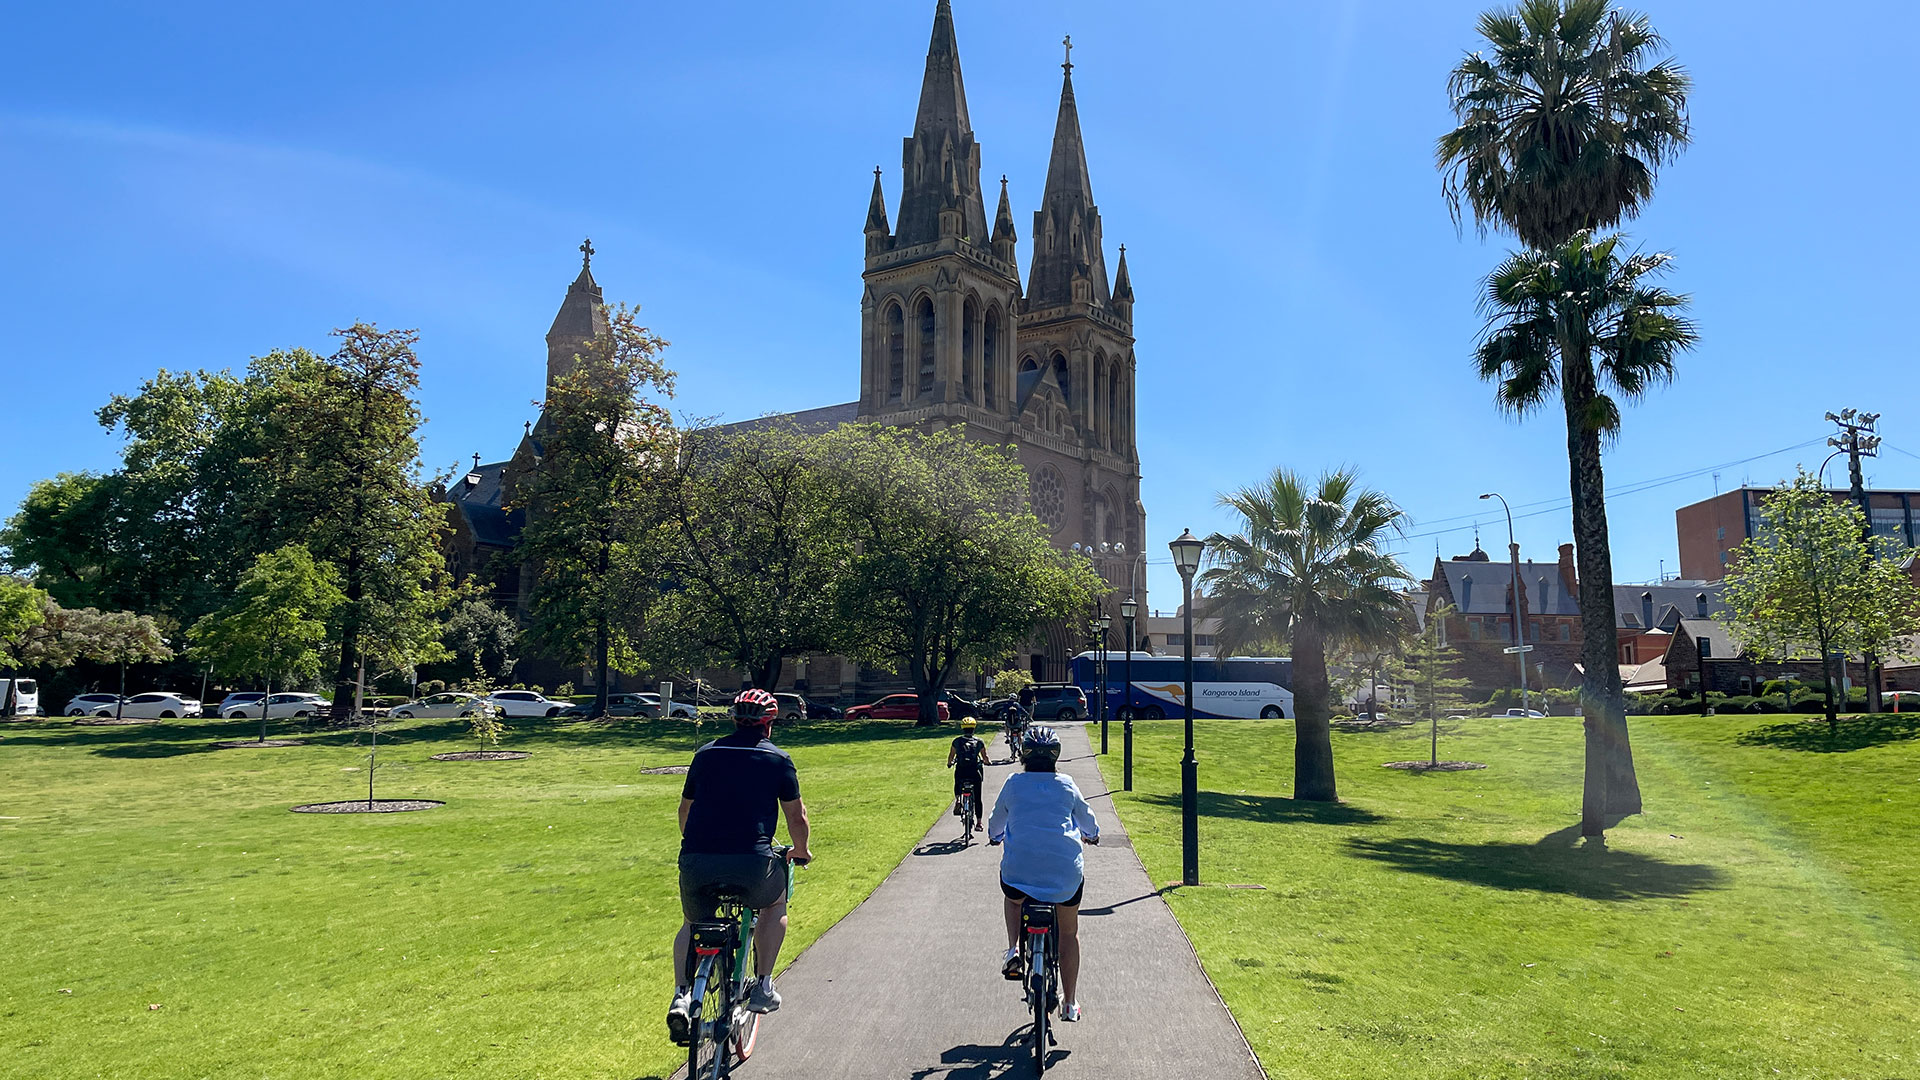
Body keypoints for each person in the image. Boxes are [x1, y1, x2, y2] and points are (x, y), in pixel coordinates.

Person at [666, 688, 812, 1044]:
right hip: (753, 861)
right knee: (774, 904)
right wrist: (801, 850)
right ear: (770, 724)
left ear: (733, 719)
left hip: (698, 860)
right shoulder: (778, 759)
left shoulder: (706, 754)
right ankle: (762, 984)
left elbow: (685, 810)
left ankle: (683, 994)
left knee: (692, 921)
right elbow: (797, 816)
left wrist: (694, 845)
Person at [986, 725, 1098, 1023]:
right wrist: (1093, 835)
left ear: (1023, 754)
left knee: (1013, 900)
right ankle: (1071, 1002)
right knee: (1069, 933)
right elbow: (1088, 821)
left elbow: (996, 823)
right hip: (1064, 875)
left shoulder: (1013, 783)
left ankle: (1013, 950)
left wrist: (995, 837)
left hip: (1019, 871)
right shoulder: (1066, 784)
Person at [947, 717, 987, 829]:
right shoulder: (979, 742)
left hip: (961, 770)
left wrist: (949, 763)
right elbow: (985, 757)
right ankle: (979, 823)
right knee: (978, 797)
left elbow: (951, 756)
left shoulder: (956, 741)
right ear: (974, 728)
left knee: (958, 782)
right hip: (974, 772)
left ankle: (958, 799)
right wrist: (987, 762)